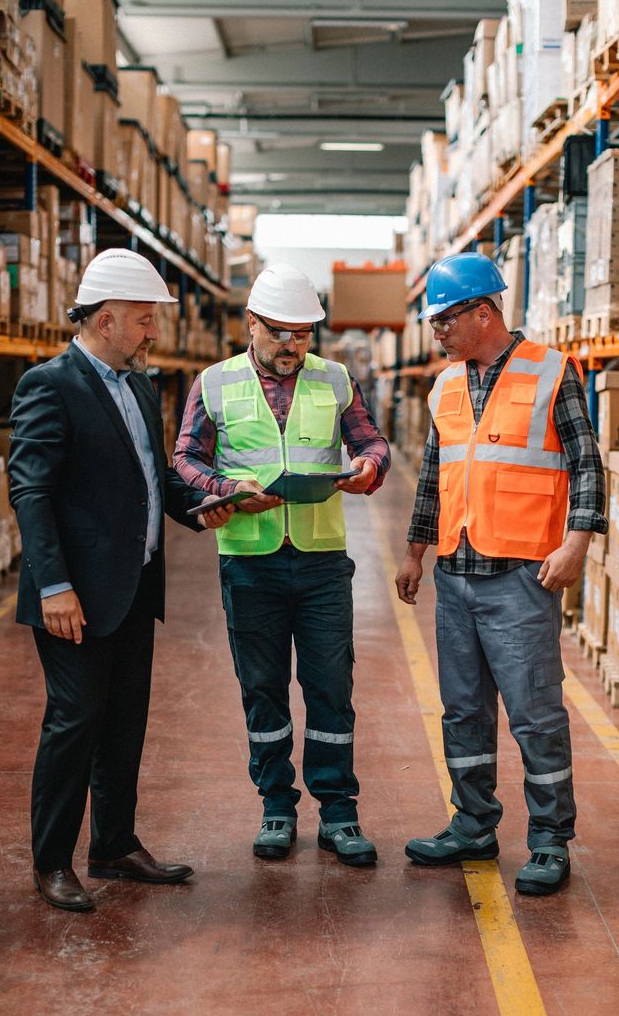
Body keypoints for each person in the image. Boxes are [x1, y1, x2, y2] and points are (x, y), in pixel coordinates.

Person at [9, 248, 236, 913]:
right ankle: (52, 862)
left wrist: (204, 506)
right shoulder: (49, 385)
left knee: (124, 722)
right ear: (106, 319)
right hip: (74, 595)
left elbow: (152, 480)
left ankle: (113, 844)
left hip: (135, 586)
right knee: (74, 722)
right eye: (143, 320)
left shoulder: (139, 386)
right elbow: (31, 492)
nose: (152, 332)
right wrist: (53, 585)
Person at [395, 253, 607, 896]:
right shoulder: (446, 385)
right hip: (456, 576)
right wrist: (414, 551)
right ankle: (473, 825)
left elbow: (588, 467)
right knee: (461, 711)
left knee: (535, 715)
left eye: (444, 320)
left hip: (521, 577)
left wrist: (577, 545)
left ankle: (549, 840)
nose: (436, 332)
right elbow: (435, 474)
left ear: (481, 312)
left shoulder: (551, 370)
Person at [173, 263, 390, 866]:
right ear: (251, 324)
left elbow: (370, 442)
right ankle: (276, 806)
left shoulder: (336, 378)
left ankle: (339, 813)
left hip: (322, 560)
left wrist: (370, 468)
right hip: (250, 560)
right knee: (263, 689)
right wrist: (225, 485)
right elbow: (185, 458)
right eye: (279, 333)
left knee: (330, 687)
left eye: (302, 334)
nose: (292, 345)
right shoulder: (214, 383)